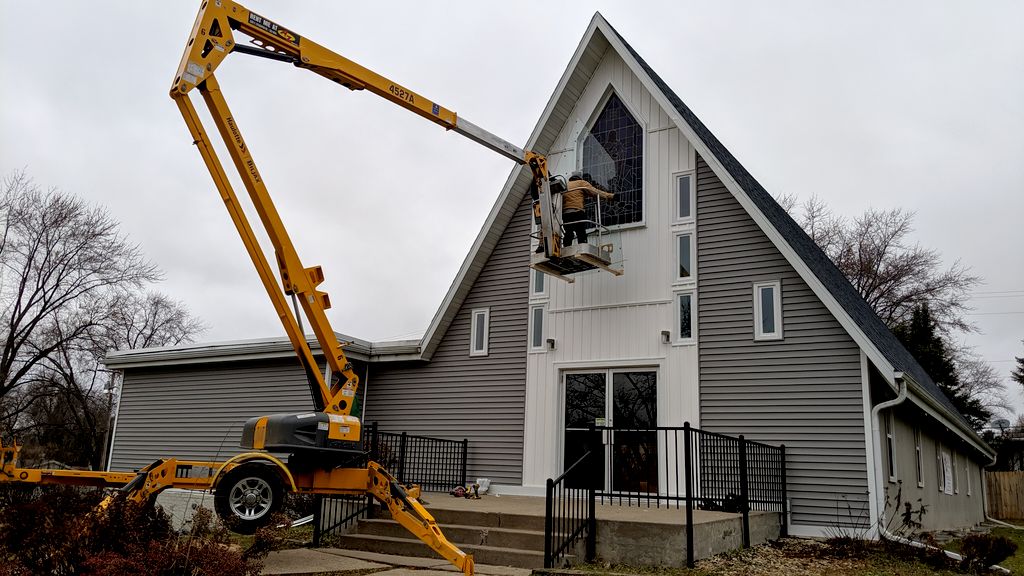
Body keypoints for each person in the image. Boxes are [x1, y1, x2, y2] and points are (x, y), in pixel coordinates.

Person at [562, 172, 614, 247]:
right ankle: (583, 247)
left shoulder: (565, 185)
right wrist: (611, 196)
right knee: (581, 232)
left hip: (566, 213)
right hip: (577, 211)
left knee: (568, 232)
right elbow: (595, 192)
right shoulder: (581, 183)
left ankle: (566, 247)